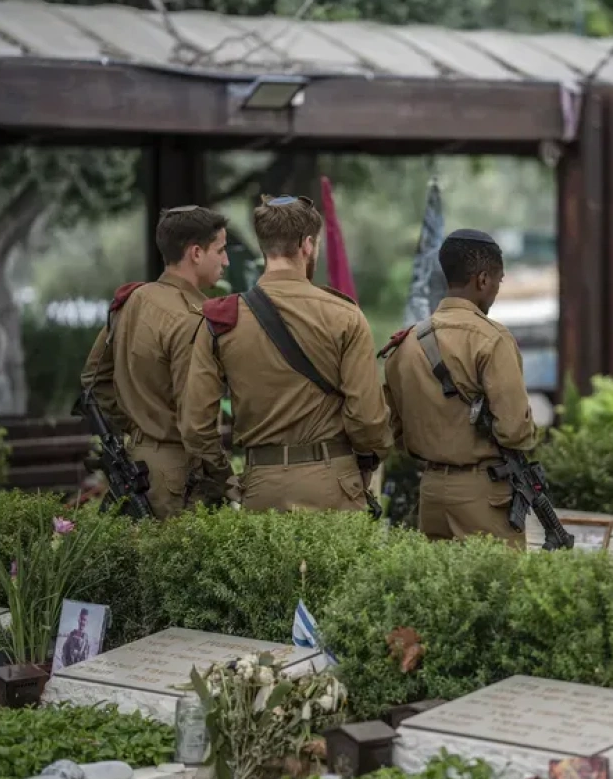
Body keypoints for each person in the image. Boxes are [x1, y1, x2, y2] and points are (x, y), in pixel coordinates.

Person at [180, 195, 391, 513]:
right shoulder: (344, 315)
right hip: (333, 482)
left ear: (264, 246)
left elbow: (196, 426)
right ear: (307, 245)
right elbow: (367, 419)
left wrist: (225, 479)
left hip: (260, 486)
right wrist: (368, 460)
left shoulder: (223, 319)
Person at [379, 229, 537, 547]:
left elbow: (395, 430)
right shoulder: (492, 339)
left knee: (443, 591)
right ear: (482, 280)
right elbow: (514, 430)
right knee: (496, 590)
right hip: (483, 494)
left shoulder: (405, 344)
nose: (494, 291)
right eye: (497, 281)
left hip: (432, 491)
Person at [81, 205, 229, 519]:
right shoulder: (193, 319)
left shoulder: (131, 301)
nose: (226, 260)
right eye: (221, 250)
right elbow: (196, 423)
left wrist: (138, 424)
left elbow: (93, 381)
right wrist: (224, 477)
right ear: (196, 253)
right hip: (178, 473)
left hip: (136, 460)